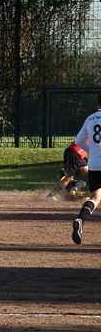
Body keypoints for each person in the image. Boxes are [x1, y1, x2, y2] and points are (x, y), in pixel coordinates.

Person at [71, 94, 101, 244]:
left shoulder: (90, 119)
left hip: (95, 164)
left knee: (96, 197)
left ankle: (80, 219)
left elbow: (78, 142)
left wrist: (93, 150)